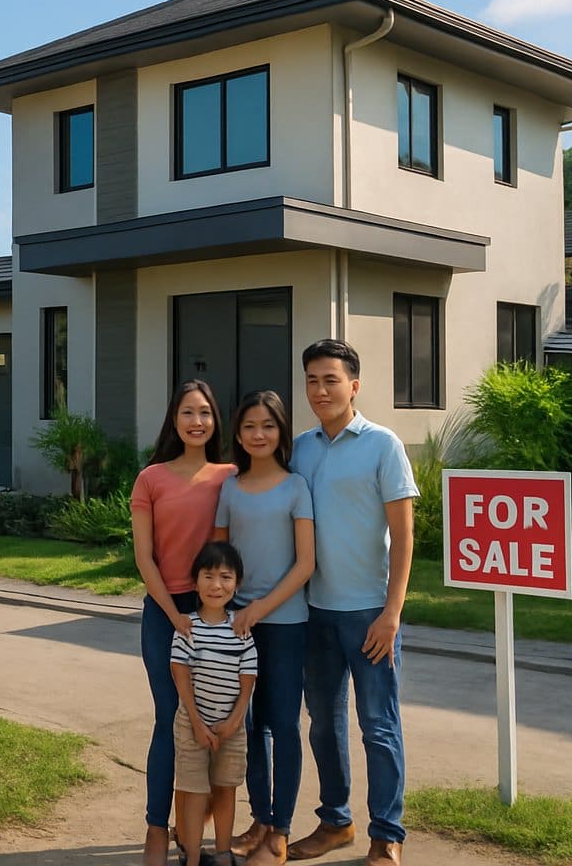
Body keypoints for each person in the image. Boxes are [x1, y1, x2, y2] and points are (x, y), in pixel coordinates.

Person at [287, 341, 417, 866]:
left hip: (369, 615)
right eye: (312, 381)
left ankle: (388, 835)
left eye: (331, 380)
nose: (320, 390)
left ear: (354, 386)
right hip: (314, 612)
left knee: (378, 726)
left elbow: (405, 536)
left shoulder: (383, 445)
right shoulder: (300, 447)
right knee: (322, 722)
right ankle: (335, 822)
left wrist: (392, 613)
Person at [130, 379, 235, 866]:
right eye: (188, 412)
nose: (198, 422)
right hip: (163, 607)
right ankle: (156, 826)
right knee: (170, 719)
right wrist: (174, 616)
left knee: (220, 721)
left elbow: (225, 551)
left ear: (216, 421)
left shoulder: (230, 475)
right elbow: (145, 558)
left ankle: (200, 827)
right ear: (174, 419)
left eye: (206, 413)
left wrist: (208, 614)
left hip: (216, 606)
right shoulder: (151, 478)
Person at [213, 391, 315, 866]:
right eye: (249, 426)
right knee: (247, 726)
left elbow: (305, 564)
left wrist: (258, 610)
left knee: (283, 724)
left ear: (281, 431)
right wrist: (231, 611)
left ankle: (282, 828)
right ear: (238, 434)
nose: (258, 434)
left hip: (285, 623)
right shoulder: (230, 488)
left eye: (268, 425)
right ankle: (259, 819)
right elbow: (219, 559)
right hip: (236, 626)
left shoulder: (296, 487)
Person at [171, 541, 258, 866]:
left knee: (225, 788)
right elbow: (180, 676)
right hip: (192, 725)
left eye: (225, 576)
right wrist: (197, 723)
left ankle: (222, 854)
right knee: (194, 791)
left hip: (231, 728)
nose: (216, 585)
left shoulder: (240, 629)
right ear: (195, 582)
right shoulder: (187, 628)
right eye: (208, 576)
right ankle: (192, 857)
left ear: (237, 584)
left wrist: (235, 721)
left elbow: (248, 678)